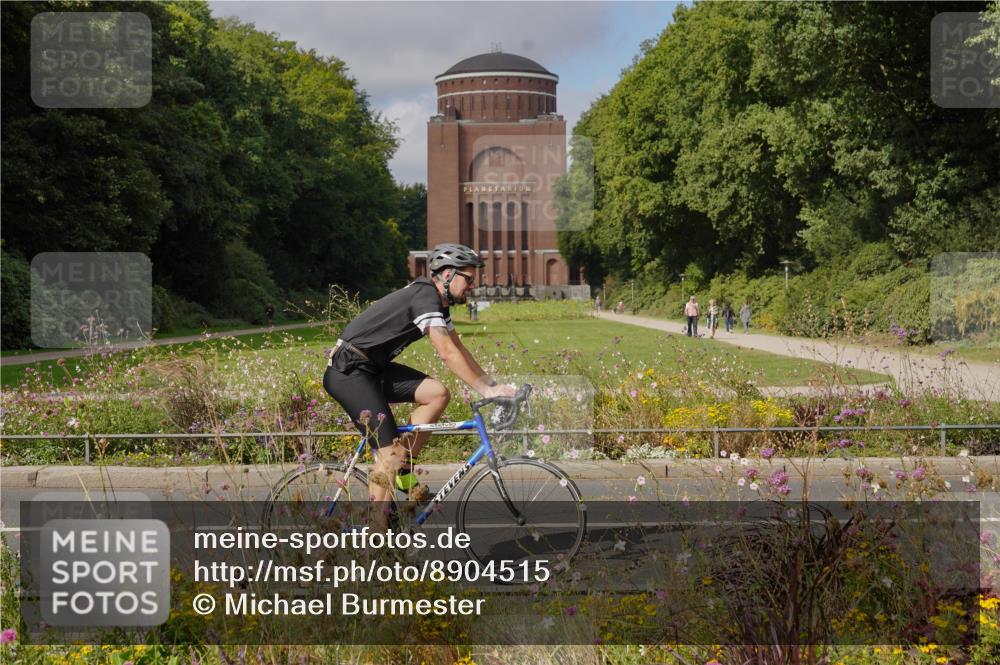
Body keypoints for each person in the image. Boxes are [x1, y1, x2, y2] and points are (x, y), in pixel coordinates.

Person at [322, 243, 515, 527]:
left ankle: (403, 471)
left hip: (372, 369)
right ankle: (377, 537)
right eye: (469, 278)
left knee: (437, 393)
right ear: (447, 274)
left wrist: (491, 385)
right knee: (390, 454)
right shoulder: (425, 296)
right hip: (349, 372)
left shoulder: (435, 301)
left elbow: (457, 346)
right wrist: (485, 391)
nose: (473, 285)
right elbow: (446, 352)